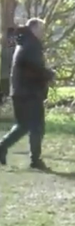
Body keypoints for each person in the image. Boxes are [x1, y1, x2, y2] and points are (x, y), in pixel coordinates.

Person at [0, 18, 55, 170]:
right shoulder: (32, 46)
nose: (43, 32)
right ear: (33, 29)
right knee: (37, 126)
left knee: (23, 125)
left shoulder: (24, 43)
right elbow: (34, 69)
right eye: (41, 29)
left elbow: (30, 68)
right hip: (29, 92)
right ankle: (35, 160)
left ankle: (2, 146)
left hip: (20, 91)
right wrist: (49, 74)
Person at [0, 26, 16, 105]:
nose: (11, 39)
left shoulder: (10, 50)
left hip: (8, 78)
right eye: (10, 37)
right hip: (5, 78)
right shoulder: (5, 50)